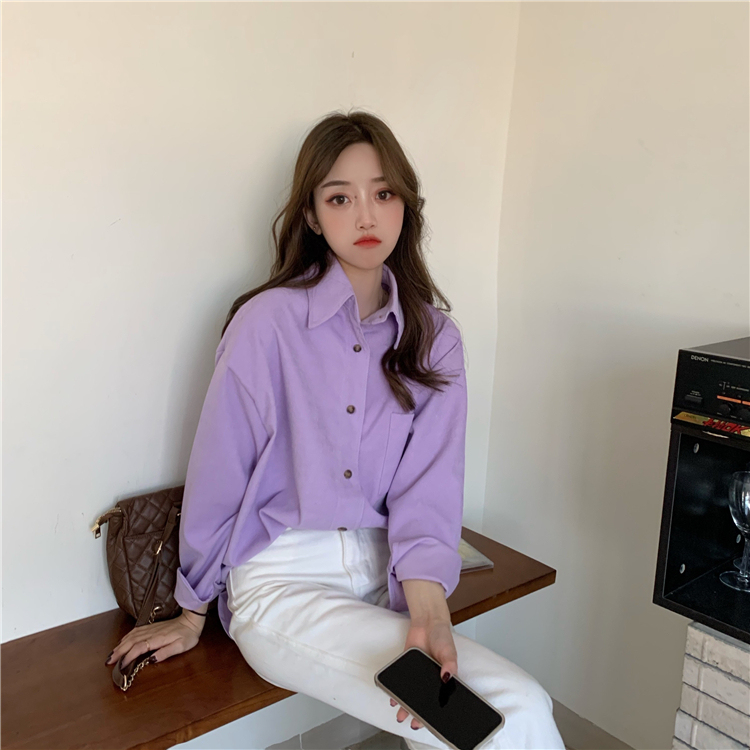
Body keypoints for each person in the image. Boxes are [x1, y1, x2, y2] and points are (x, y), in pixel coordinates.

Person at [105, 110, 565, 750]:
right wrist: (191, 611)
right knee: (493, 720)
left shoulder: (434, 338)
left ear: (406, 205)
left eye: (384, 193)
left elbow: (428, 489)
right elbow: (221, 470)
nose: (366, 216)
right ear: (313, 216)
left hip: (388, 575)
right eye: (340, 198)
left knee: (509, 709)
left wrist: (430, 612)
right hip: (282, 584)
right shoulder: (266, 324)